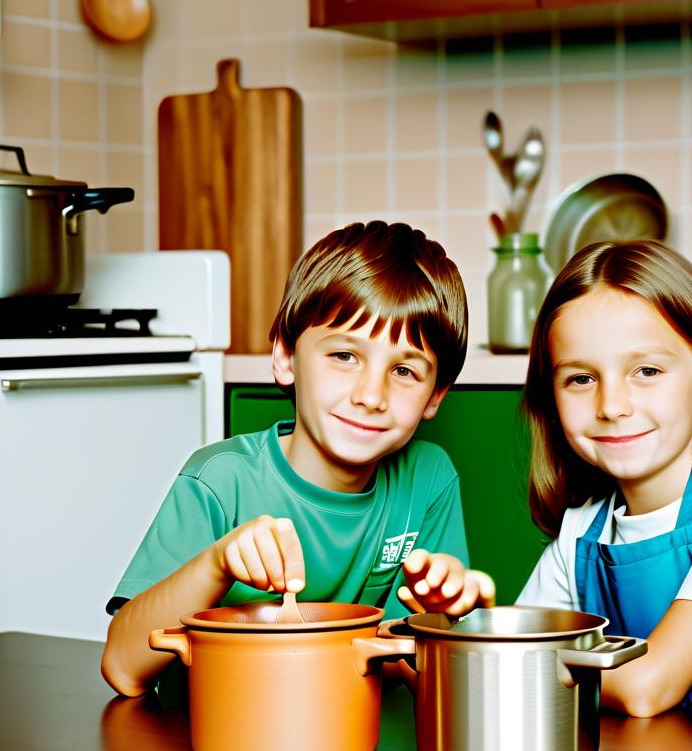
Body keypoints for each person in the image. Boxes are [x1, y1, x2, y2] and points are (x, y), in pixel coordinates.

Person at [407, 239, 692, 719]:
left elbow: (645, 688)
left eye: (647, 370)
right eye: (581, 379)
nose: (612, 405)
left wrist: (514, 660)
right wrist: (457, 621)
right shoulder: (583, 529)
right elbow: (499, 665)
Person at [101, 220, 494, 698]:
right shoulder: (220, 480)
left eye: (405, 370)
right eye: (345, 356)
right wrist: (218, 564)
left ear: (435, 396)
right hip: (201, 741)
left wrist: (440, 621)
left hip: (346, 740)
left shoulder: (428, 479)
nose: (372, 395)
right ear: (286, 357)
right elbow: (122, 668)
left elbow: (410, 677)